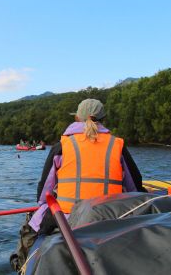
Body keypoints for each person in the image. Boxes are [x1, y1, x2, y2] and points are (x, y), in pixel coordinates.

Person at [10, 98, 146, 273]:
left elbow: (43, 193)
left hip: (67, 218)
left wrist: (43, 208)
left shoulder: (62, 146)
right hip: (111, 216)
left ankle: (22, 265)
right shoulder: (118, 145)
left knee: (31, 225)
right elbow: (136, 189)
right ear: (103, 119)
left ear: (77, 119)